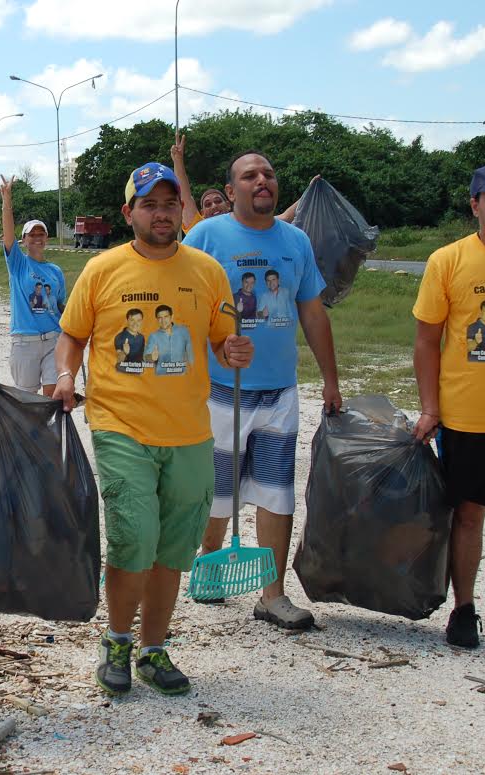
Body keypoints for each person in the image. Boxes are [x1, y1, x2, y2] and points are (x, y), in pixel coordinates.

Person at [54, 162, 252, 697]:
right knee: (133, 537)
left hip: (190, 430)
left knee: (171, 546)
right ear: (129, 213)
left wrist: (233, 348)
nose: (161, 214)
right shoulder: (101, 269)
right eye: (149, 204)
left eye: (169, 204)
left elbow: (223, 339)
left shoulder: (208, 271)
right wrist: (67, 374)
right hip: (120, 425)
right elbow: (72, 335)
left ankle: (154, 648)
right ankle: (117, 640)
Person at [184, 150, 341, 629]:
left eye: (268, 174)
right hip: (220, 390)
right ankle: (210, 558)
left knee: (276, 492)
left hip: (279, 391)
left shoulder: (295, 241)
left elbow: (312, 311)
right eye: (249, 176)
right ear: (231, 192)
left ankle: (272, 595)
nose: (262, 181)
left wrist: (331, 380)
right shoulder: (207, 236)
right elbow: (182, 299)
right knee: (218, 492)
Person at [412, 161, 485, 649]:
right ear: (475, 205)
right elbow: (427, 342)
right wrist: (430, 407)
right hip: (470, 416)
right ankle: (463, 609)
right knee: (470, 514)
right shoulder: (448, 260)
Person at [0, 175, 67, 395]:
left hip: (53, 340)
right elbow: (8, 234)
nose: (37, 238)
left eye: (41, 233)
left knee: (51, 399)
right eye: (32, 234)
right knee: (27, 401)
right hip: (24, 342)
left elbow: (60, 306)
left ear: (47, 238)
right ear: (24, 240)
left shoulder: (56, 271)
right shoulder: (18, 264)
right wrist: (7, 201)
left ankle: (49, 431)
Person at [170, 134, 312, 233]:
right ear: (202, 213)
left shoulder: (251, 224)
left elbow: (286, 217)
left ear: (228, 203)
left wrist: (310, 192)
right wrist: (178, 160)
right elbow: (185, 196)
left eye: (218, 201)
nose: (214, 206)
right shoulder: (199, 228)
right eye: (207, 204)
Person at [144, 305, 193, 375]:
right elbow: (147, 357)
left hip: (182, 378)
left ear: (171, 317)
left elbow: (191, 354)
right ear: (157, 319)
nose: (163, 321)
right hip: (162, 378)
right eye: (160, 318)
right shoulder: (153, 336)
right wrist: (152, 357)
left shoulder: (183, 331)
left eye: (166, 317)